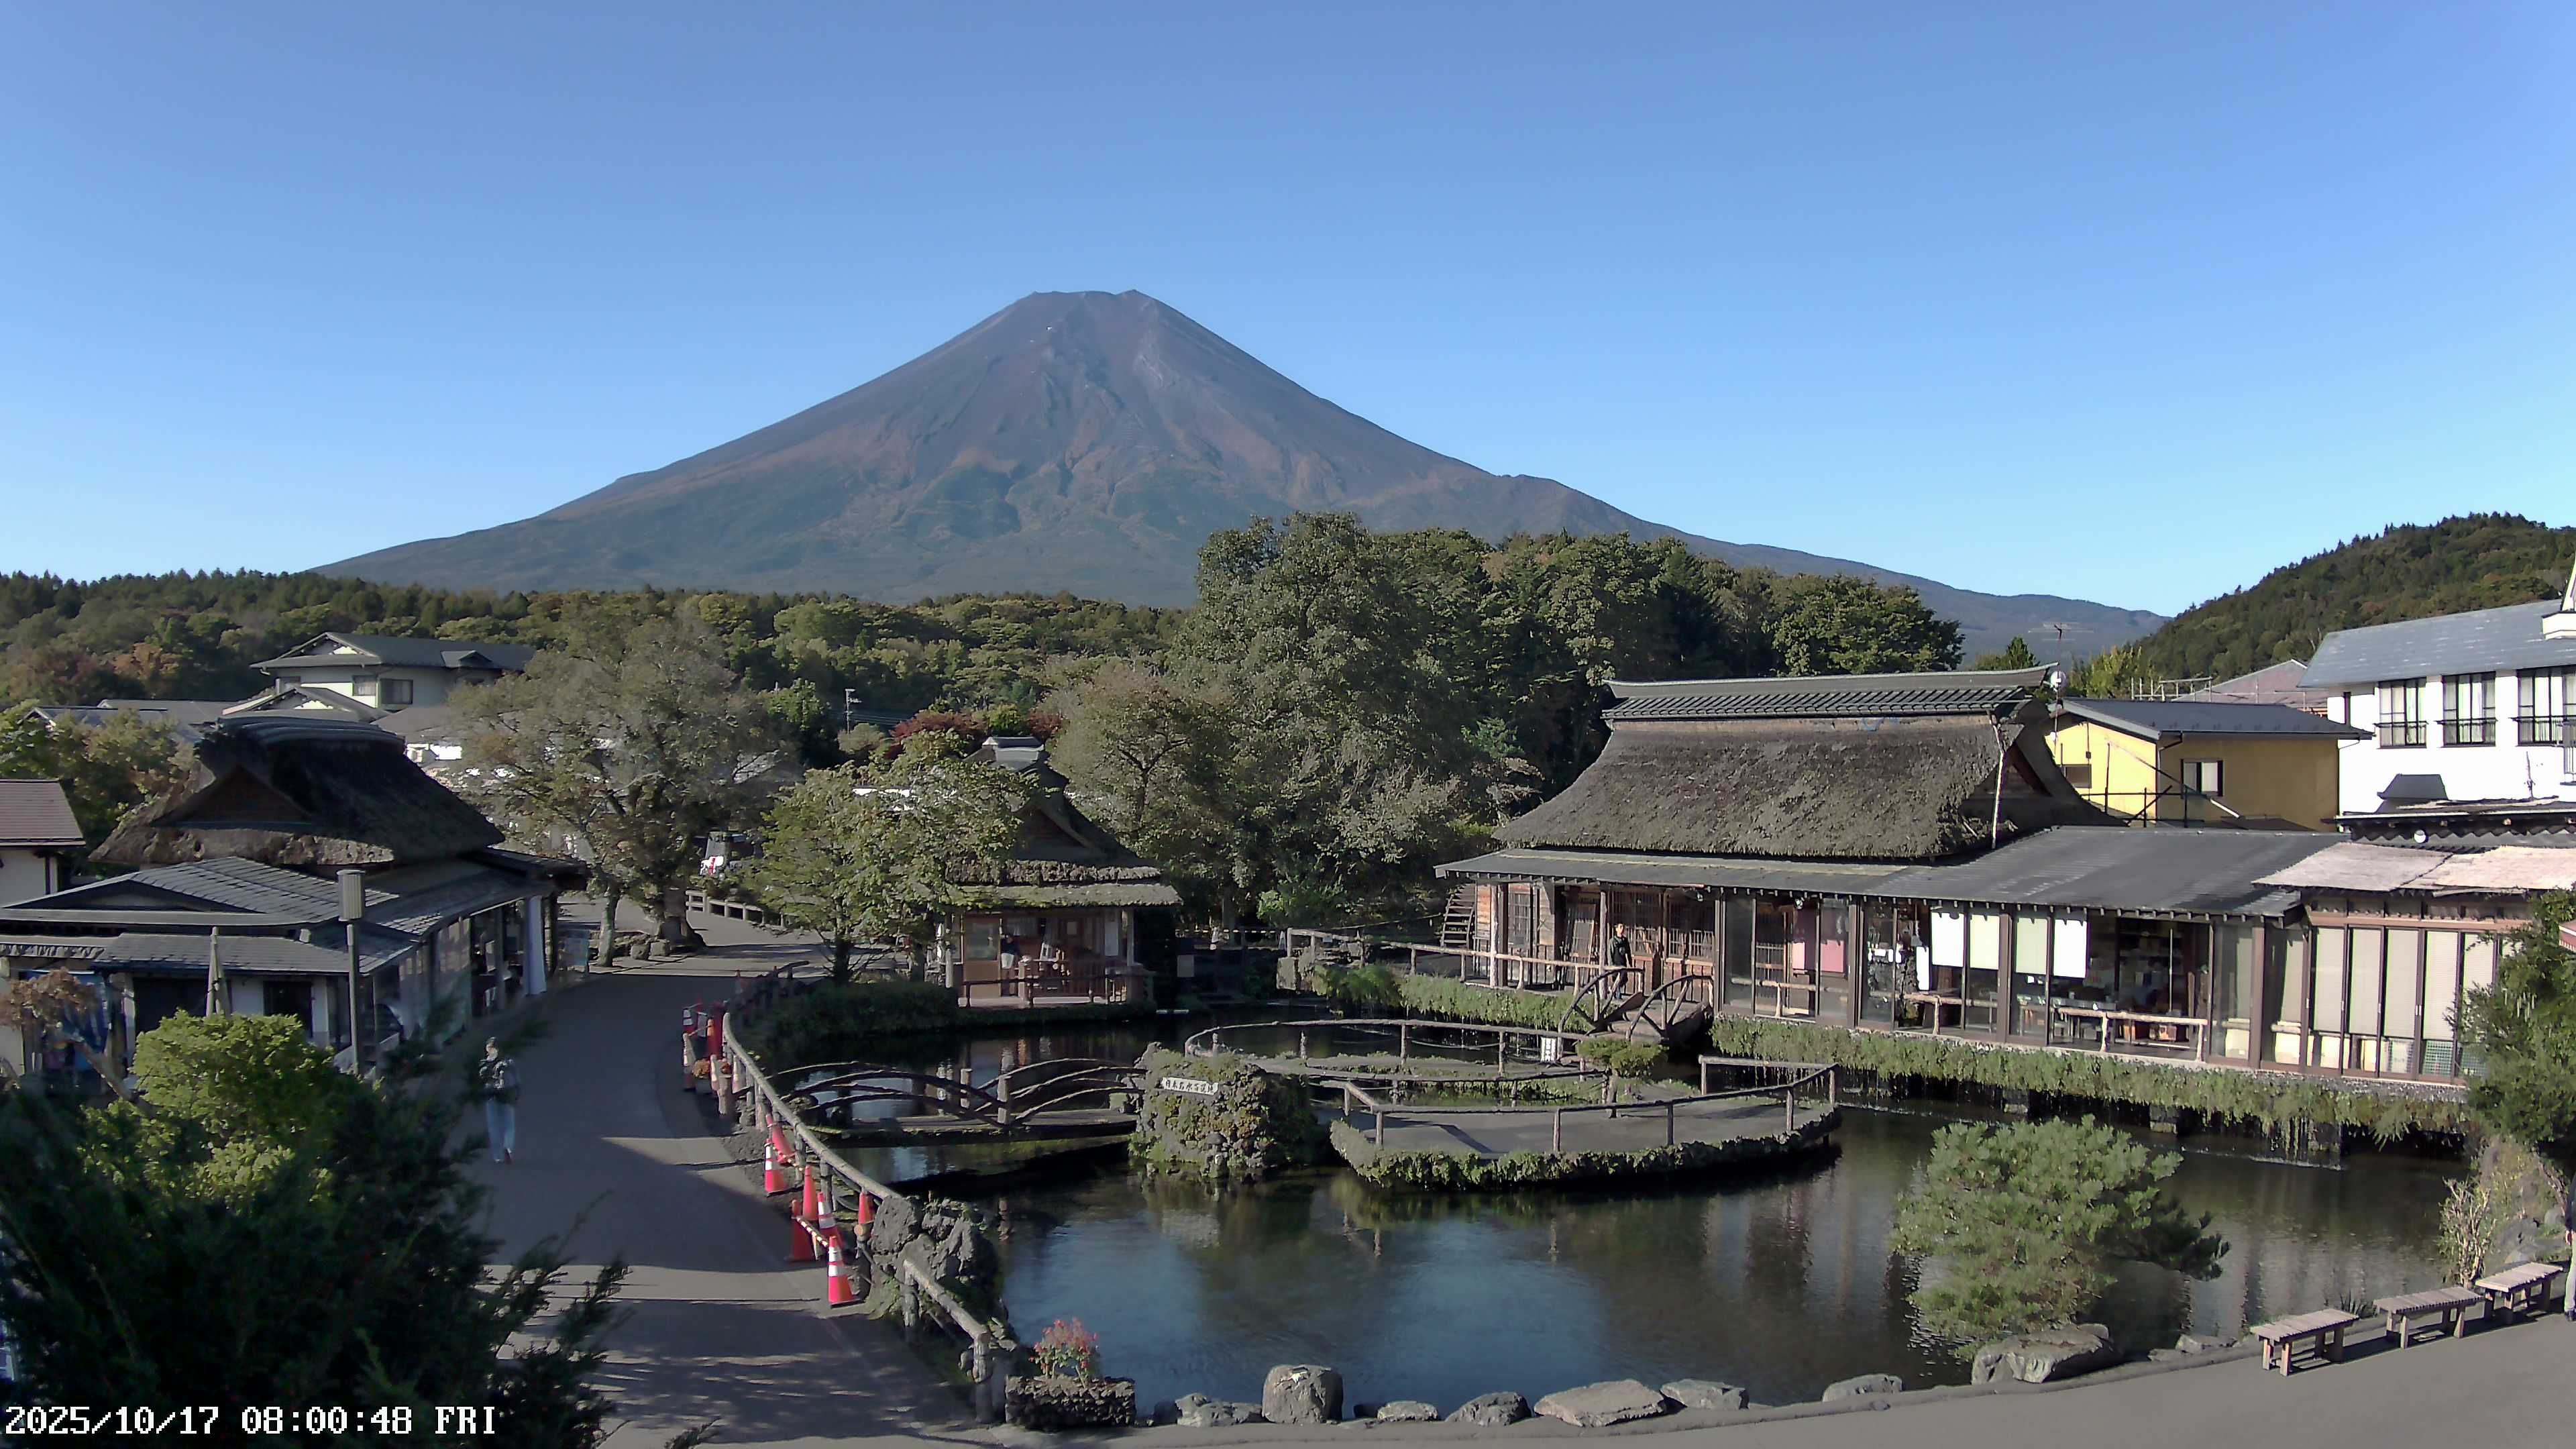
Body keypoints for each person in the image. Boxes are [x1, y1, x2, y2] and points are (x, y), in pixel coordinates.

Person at [477, 1037, 521, 1165]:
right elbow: (517, 1079)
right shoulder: (508, 1061)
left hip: (490, 1095)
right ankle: (507, 1147)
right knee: (509, 1124)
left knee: (493, 1126)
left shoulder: (484, 1063)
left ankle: (497, 1156)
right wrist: (517, 1093)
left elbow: (479, 1081)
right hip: (507, 1094)